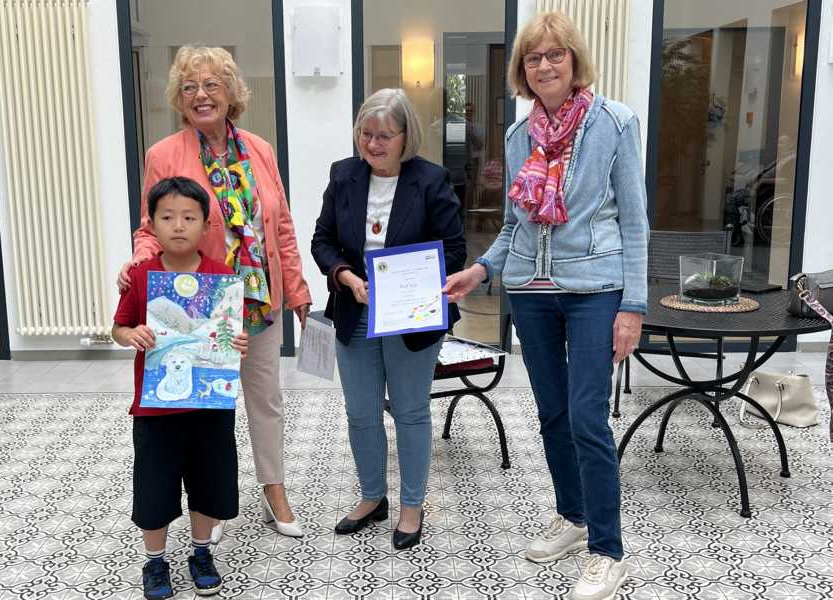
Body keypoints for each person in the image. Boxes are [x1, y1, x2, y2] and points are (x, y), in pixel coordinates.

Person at [443, 11, 648, 600]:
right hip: (531, 296)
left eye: (556, 54)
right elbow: (515, 227)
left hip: (594, 292)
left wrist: (631, 306)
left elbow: (634, 220)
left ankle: (608, 551)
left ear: (574, 60)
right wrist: (481, 270)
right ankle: (573, 517)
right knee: (553, 415)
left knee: (587, 417)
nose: (546, 65)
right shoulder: (517, 136)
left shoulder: (615, 123)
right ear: (522, 70)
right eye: (534, 58)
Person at [116, 46, 312, 540]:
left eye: (211, 85)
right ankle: (211, 505)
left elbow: (281, 227)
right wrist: (139, 261)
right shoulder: (164, 154)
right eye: (190, 87)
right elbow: (151, 225)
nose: (201, 95)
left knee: (265, 399)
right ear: (180, 100)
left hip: (258, 299)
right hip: (199, 302)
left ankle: (274, 489)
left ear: (231, 93)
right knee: (208, 408)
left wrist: (298, 287)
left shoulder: (260, 150)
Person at [311, 88, 466, 550]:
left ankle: (412, 506)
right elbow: (322, 239)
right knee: (360, 413)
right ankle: (372, 498)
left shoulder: (431, 180)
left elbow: (455, 249)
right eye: (366, 134)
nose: (373, 144)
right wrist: (342, 273)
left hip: (410, 315)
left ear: (405, 137)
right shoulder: (344, 175)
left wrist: (414, 279)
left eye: (384, 136)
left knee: (411, 411)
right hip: (354, 310)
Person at [113, 176, 249, 600]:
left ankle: (201, 552)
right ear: (151, 224)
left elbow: (228, 338)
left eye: (188, 217)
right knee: (155, 486)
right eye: (167, 216)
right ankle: (155, 562)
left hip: (209, 407)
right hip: (155, 410)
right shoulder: (140, 276)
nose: (178, 225)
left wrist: (237, 342)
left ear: (206, 225)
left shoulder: (222, 278)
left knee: (209, 481)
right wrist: (130, 334)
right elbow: (118, 327)